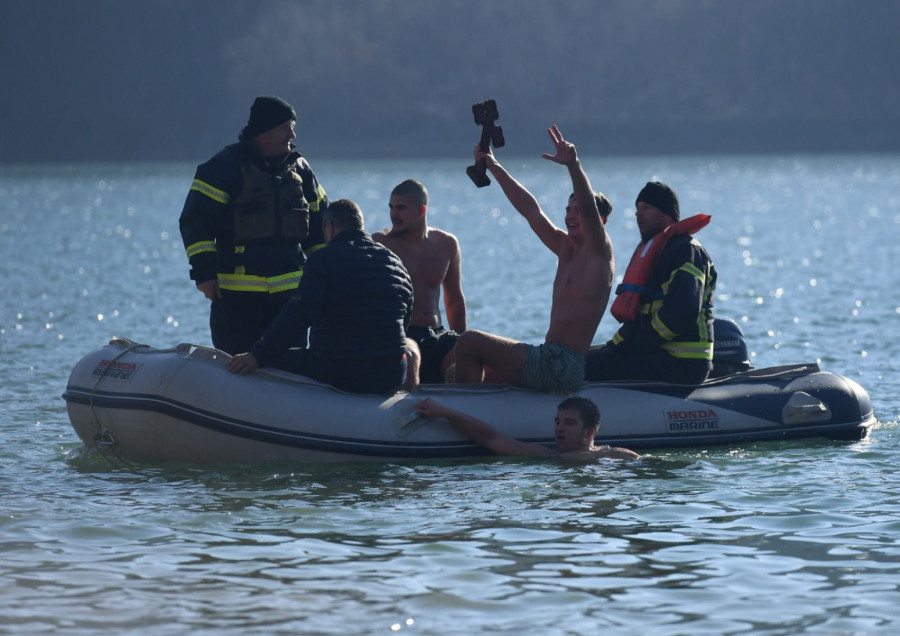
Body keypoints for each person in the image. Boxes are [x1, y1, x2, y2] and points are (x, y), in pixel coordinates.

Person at [451, 125, 614, 392]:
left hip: (562, 365)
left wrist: (573, 166)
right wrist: (493, 165)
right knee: (455, 370)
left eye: (578, 211)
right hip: (546, 355)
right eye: (567, 209)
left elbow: (587, 204)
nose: (571, 215)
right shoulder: (565, 248)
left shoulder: (598, 253)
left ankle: (460, 414)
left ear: (600, 221)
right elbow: (531, 210)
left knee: (470, 342)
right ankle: (468, 416)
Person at [179, 95, 328, 355]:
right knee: (235, 365)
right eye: (286, 128)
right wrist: (204, 274)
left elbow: (321, 226)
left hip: (290, 299)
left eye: (292, 127)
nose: (292, 134)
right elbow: (196, 221)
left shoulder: (300, 169)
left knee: (290, 366)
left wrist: (327, 275)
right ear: (264, 131)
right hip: (236, 299)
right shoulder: (222, 168)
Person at [227, 199, 414, 395]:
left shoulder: (323, 259)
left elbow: (297, 315)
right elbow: (405, 320)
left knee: (269, 362)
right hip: (393, 373)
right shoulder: (395, 263)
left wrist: (257, 355)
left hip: (342, 371)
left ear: (329, 227)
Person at [584, 181, 717, 384]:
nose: (638, 214)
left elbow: (682, 312)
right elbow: (640, 316)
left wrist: (638, 344)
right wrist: (615, 346)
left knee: (586, 367)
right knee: (586, 358)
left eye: (647, 208)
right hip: (657, 354)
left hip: (683, 363)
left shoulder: (688, 251)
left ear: (668, 214)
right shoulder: (656, 251)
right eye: (637, 208)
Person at [373, 179, 466, 384]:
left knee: (471, 353)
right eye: (391, 207)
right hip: (402, 334)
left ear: (421, 210)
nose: (393, 214)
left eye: (401, 208)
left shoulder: (446, 244)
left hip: (437, 334)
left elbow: (454, 300)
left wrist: (462, 342)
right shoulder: (381, 243)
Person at [415, 396, 639, 460]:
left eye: (569, 423)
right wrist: (445, 412)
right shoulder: (544, 455)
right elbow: (492, 439)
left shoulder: (615, 455)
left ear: (589, 432)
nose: (560, 429)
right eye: (558, 422)